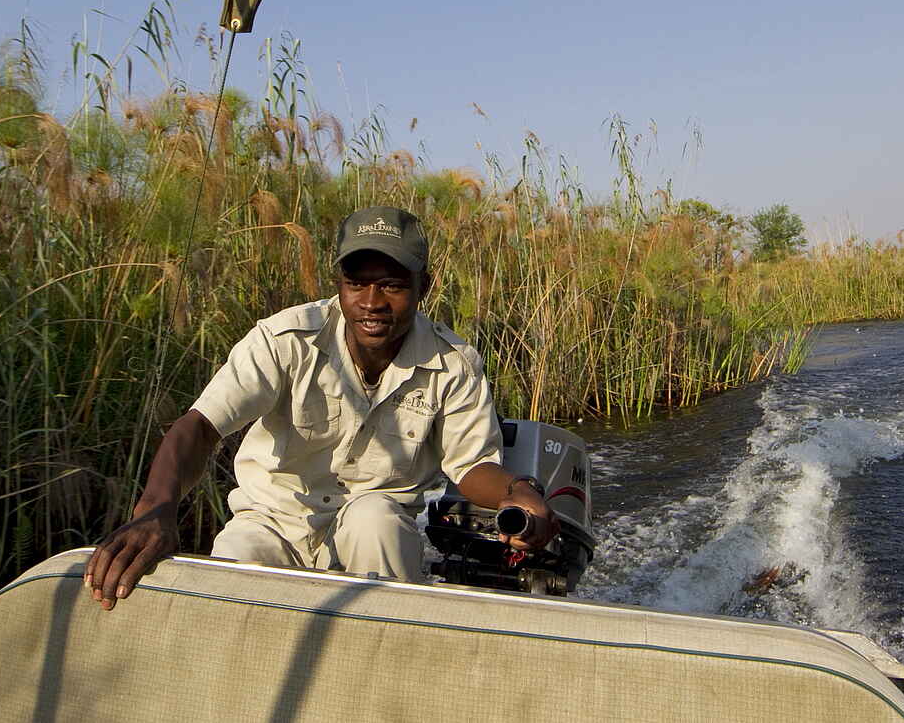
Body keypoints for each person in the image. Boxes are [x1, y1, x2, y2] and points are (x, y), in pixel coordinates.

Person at [85, 206, 557, 610]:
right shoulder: (286, 339)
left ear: (423, 287)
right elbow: (200, 427)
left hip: (375, 527)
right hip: (272, 521)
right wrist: (155, 509)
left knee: (375, 520)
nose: (371, 303)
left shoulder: (454, 363)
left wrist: (517, 489)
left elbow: (472, 465)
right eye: (357, 284)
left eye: (391, 286)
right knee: (235, 560)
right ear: (340, 285)